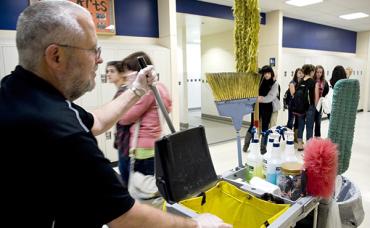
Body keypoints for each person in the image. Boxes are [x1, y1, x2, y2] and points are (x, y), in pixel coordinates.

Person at [0, 2, 231, 227]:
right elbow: (126, 218)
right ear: (56, 56)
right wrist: (196, 224)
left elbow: (97, 121)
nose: (100, 59)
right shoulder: (63, 133)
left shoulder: (16, 90)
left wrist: (136, 90)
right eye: (93, 50)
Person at [119, 51, 172, 200]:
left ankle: (146, 215)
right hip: (154, 143)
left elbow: (125, 118)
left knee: (143, 187)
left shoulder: (147, 92)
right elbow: (167, 107)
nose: (126, 77)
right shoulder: (161, 87)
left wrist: (130, 94)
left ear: (138, 72)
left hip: (142, 148)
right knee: (152, 182)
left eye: (128, 72)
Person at [106, 61, 132, 186]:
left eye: (112, 71)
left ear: (122, 73)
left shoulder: (124, 92)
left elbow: (123, 117)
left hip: (127, 144)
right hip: (123, 143)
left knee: (127, 181)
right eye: (107, 71)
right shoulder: (121, 91)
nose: (108, 74)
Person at [243, 65, 278, 154]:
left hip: (267, 108)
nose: (266, 75)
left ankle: (263, 149)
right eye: (265, 73)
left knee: (265, 127)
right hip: (256, 107)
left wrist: (261, 98)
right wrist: (256, 98)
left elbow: (271, 96)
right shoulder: (258, 81)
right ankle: (246, 145)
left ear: (271, 73)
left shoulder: (274, 83)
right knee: (253, 125)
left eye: (268, 73)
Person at [296, 64, 317, 151]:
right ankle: (309, 146)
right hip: (310, 107)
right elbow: (315, 96)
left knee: (300, 125)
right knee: (309, 126)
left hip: (300, 107)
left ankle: (300, 145)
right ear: (312, 71)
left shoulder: (301, 81)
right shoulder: (312, 81)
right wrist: (315, 106)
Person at [286, 68, 304, 142]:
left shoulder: (303, 83)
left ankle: (296, 137)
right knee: (290, 120)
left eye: (302, 73)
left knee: (297, 121)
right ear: (296, 74)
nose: (301, 74)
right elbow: (293, 94)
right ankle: (289, 137)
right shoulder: (292, 83)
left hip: (299, 105)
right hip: (292, 105)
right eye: (299, 73)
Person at [313, 65, 329, 137]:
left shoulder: (324, 82)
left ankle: (317, 137)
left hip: (320, 105)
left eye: (320, 72)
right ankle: (309, 138)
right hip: (312, 104)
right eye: (317, 72)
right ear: (315, 72)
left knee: (318, 122)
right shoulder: (312, 81)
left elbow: (327, 92)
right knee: (310, 123)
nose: (319, 74)